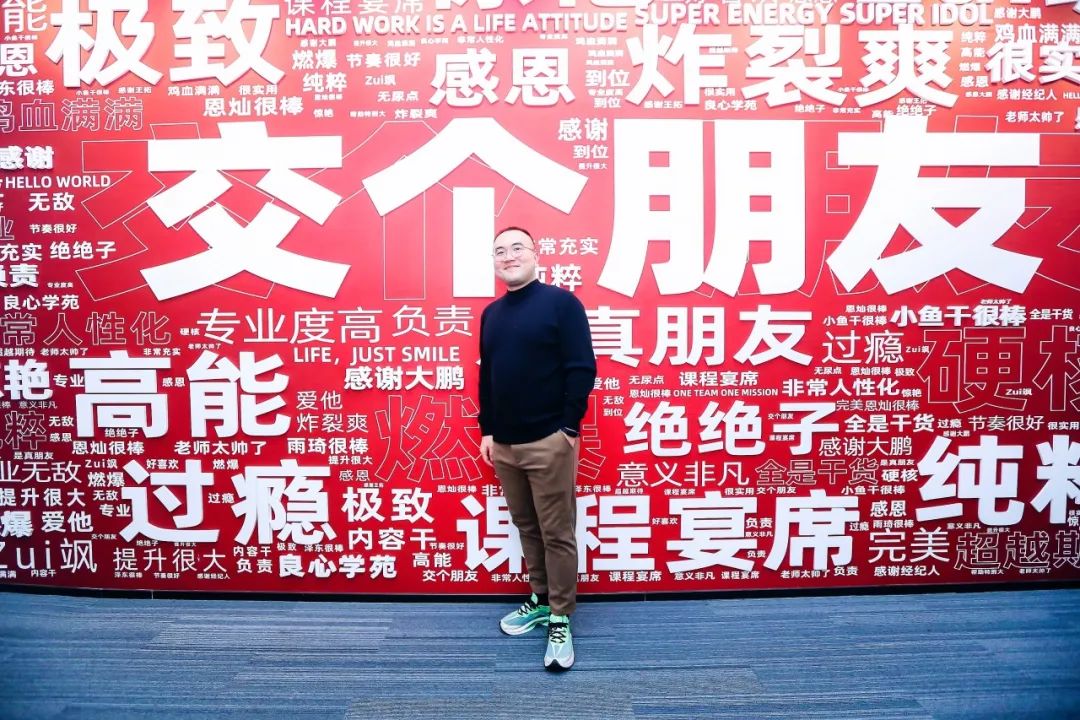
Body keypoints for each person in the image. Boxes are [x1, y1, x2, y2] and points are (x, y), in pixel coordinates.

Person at [478, 226, 597, 672]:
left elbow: (582, 368)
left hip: (549, 441)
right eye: (499, 251)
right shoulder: (491, 314)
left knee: (557, 533)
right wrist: (488, 431)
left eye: (516, 248)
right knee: (527, 527)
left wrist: (567, 428)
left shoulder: (562, 304)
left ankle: (561, 617)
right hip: (504, 445)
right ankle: (542, 600)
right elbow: (487, 375)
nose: (508, 256)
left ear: (534, 254)